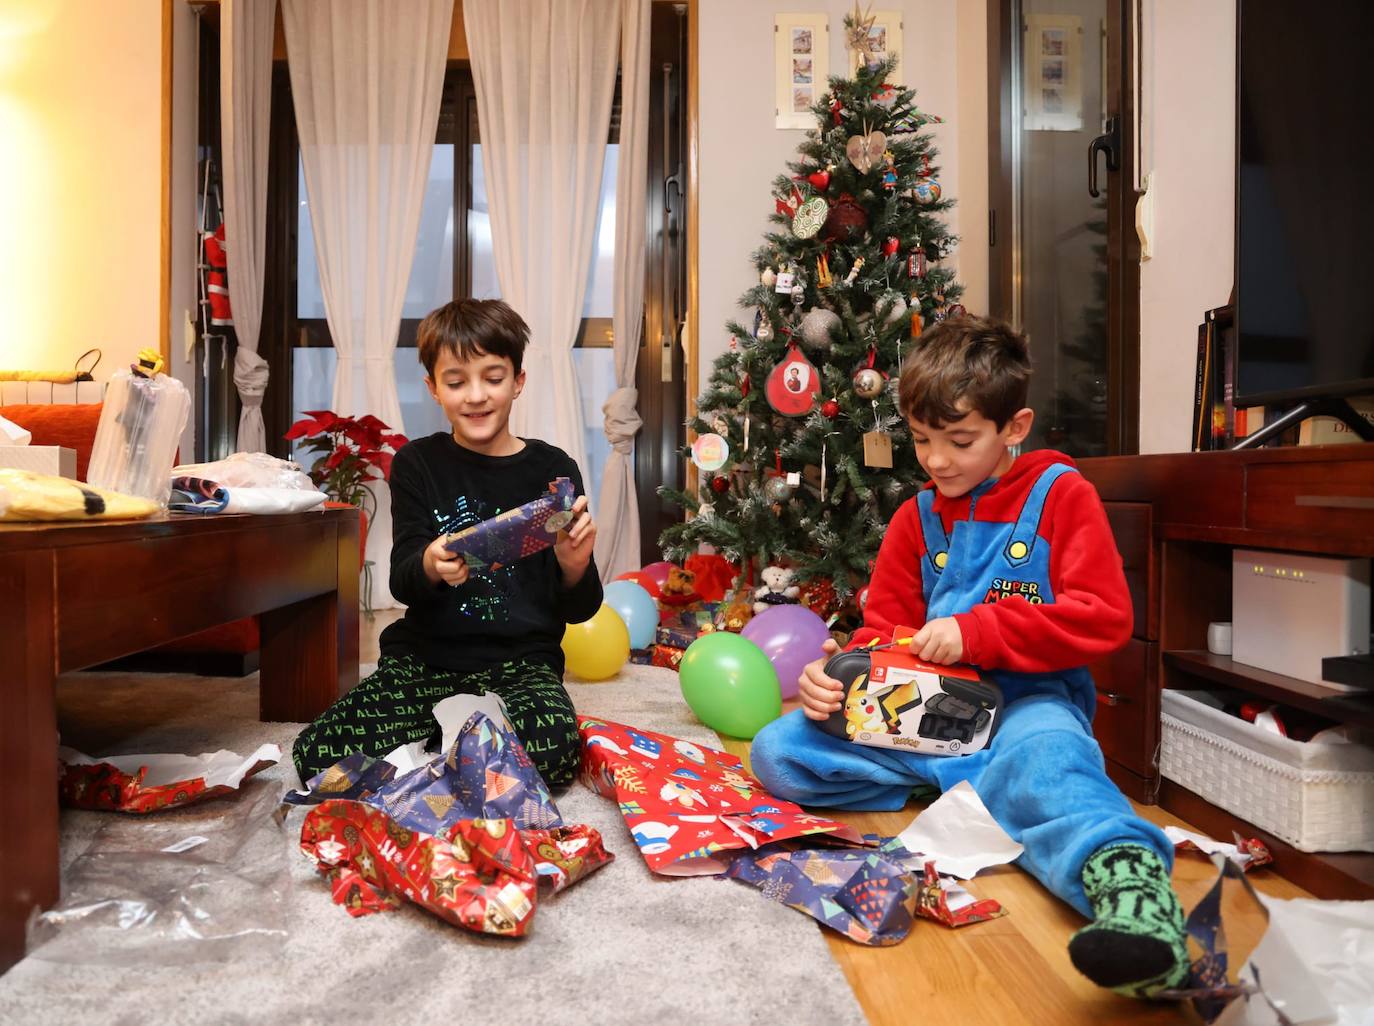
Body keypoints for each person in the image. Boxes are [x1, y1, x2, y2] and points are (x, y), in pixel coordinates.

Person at [750, 315, 1188, 999]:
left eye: (959, 441)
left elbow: (1105, 618)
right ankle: (985, 790)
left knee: (1052, 759)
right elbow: (883, 633)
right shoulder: (914, 519)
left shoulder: (1060, 496)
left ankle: (1134, 901)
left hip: (1029, 705)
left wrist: (979, 632)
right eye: (922, 441)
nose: (937, 461)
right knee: (780, 751)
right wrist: (835, 678)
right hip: (922, 717)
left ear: (1014, 427)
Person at [292, 298, 602, 791]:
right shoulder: (417, 464)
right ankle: (458, 743)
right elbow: (403, 579)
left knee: (554, 752)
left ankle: (442, 747)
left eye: (493, 378)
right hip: (426, 659)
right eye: (457, 382)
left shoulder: (552, 468)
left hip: (521, 664)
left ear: (519, 380)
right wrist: (432, 565)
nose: (476, 396)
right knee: (318, 755)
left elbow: (580, 608)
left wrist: (573, 565)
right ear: (434, 389)